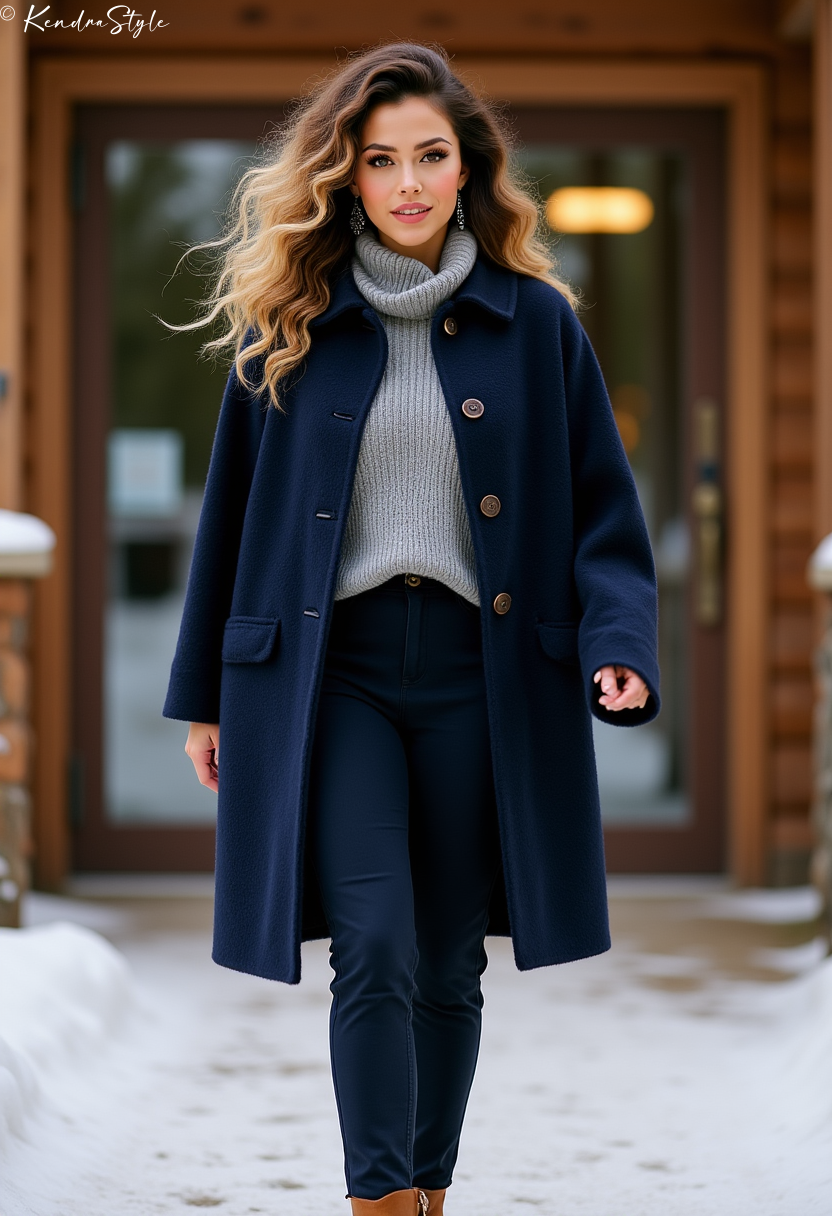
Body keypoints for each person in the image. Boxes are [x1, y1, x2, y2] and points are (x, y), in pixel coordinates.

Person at [162, 39, 660, 1216]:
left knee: (445, 957)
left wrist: (619, 645)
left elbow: (605, 514)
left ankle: (428, 1191)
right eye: (381, 160)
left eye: (430, 156)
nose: (407, 183)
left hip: (480, 675)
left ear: (467, 166)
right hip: (333, 674)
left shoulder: (538, 326)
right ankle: (379, 1202)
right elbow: (229, 521)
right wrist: (205, 697)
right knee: (374, 941)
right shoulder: (286, 325)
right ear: (346, 173)